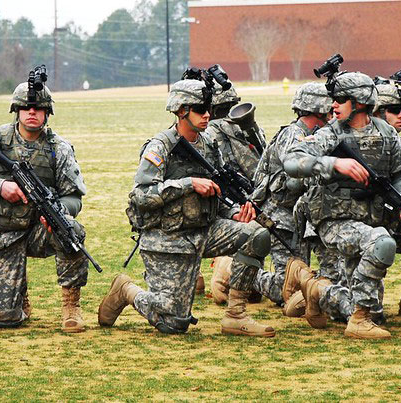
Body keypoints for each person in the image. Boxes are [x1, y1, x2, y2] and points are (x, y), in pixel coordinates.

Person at [282, 71, 401, 339]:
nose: (333, 105)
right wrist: (333, 163)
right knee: (380, 245)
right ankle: (354, 315)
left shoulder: (387, 134)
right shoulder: (329, 134)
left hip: (380, 216)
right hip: (337, 221)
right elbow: (292, 160)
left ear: (360, 102)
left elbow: (400, 174)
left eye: (340, 99)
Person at [98, 78, 273, 336]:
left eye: (208, 109)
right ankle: (127, 291)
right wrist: (188, 184)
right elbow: (142, 196)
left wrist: (234, 212)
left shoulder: (209, 145)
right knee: (174, 324)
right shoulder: (160, 147)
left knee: (257, 235)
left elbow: (218, 192)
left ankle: (236, 315)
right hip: (168, 237)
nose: (207, 115)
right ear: (181, 111)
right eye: (200, 109)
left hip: (205, 229)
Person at [0, 77, 90, 332]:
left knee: (72, 232)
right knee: (5, 318)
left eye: (38, 108)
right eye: (26, 108)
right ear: (16, 111)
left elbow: (73, 197)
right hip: (0, 233)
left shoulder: (57, 148)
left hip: (38, 231)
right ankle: (18, 295)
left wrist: (59, 212)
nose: (31, 112)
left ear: (46, 113)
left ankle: (71, 306)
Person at [246, 82, 331, 309]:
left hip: (300, 217)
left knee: (302, 282)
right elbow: (295, 180)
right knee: (285, 289)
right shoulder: (292, 135)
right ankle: (239, 273)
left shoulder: (317, 135)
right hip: (279, 217)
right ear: (319, 109)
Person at [201, 81, 266, 298]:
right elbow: (259, 170)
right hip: (240, 203)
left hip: (231, 203)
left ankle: (222, 270)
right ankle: (227, 270)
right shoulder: (248, 129)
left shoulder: (207, 132)